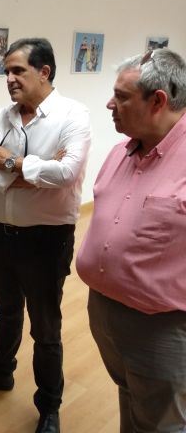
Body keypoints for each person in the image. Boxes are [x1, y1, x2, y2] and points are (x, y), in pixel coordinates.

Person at [0, 38, 91, 433]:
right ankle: (1, 372)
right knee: (6, 312)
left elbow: (66, 173)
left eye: (17, 70)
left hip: (46, 240)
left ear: (44, 72)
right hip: (2, 234)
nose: (9, 79)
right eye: (7, 72)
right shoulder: (4, 116)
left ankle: (49, 406)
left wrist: (13, 163)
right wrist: (33, 172)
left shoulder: (73, 115)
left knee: (45, 328)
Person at [76, 48, 186, 432]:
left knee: (162, 423)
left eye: (121, 97)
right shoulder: (120, 151)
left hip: (160, 328)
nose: (110, 104)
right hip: (106, 311)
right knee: (131, 398)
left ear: (158, 101)